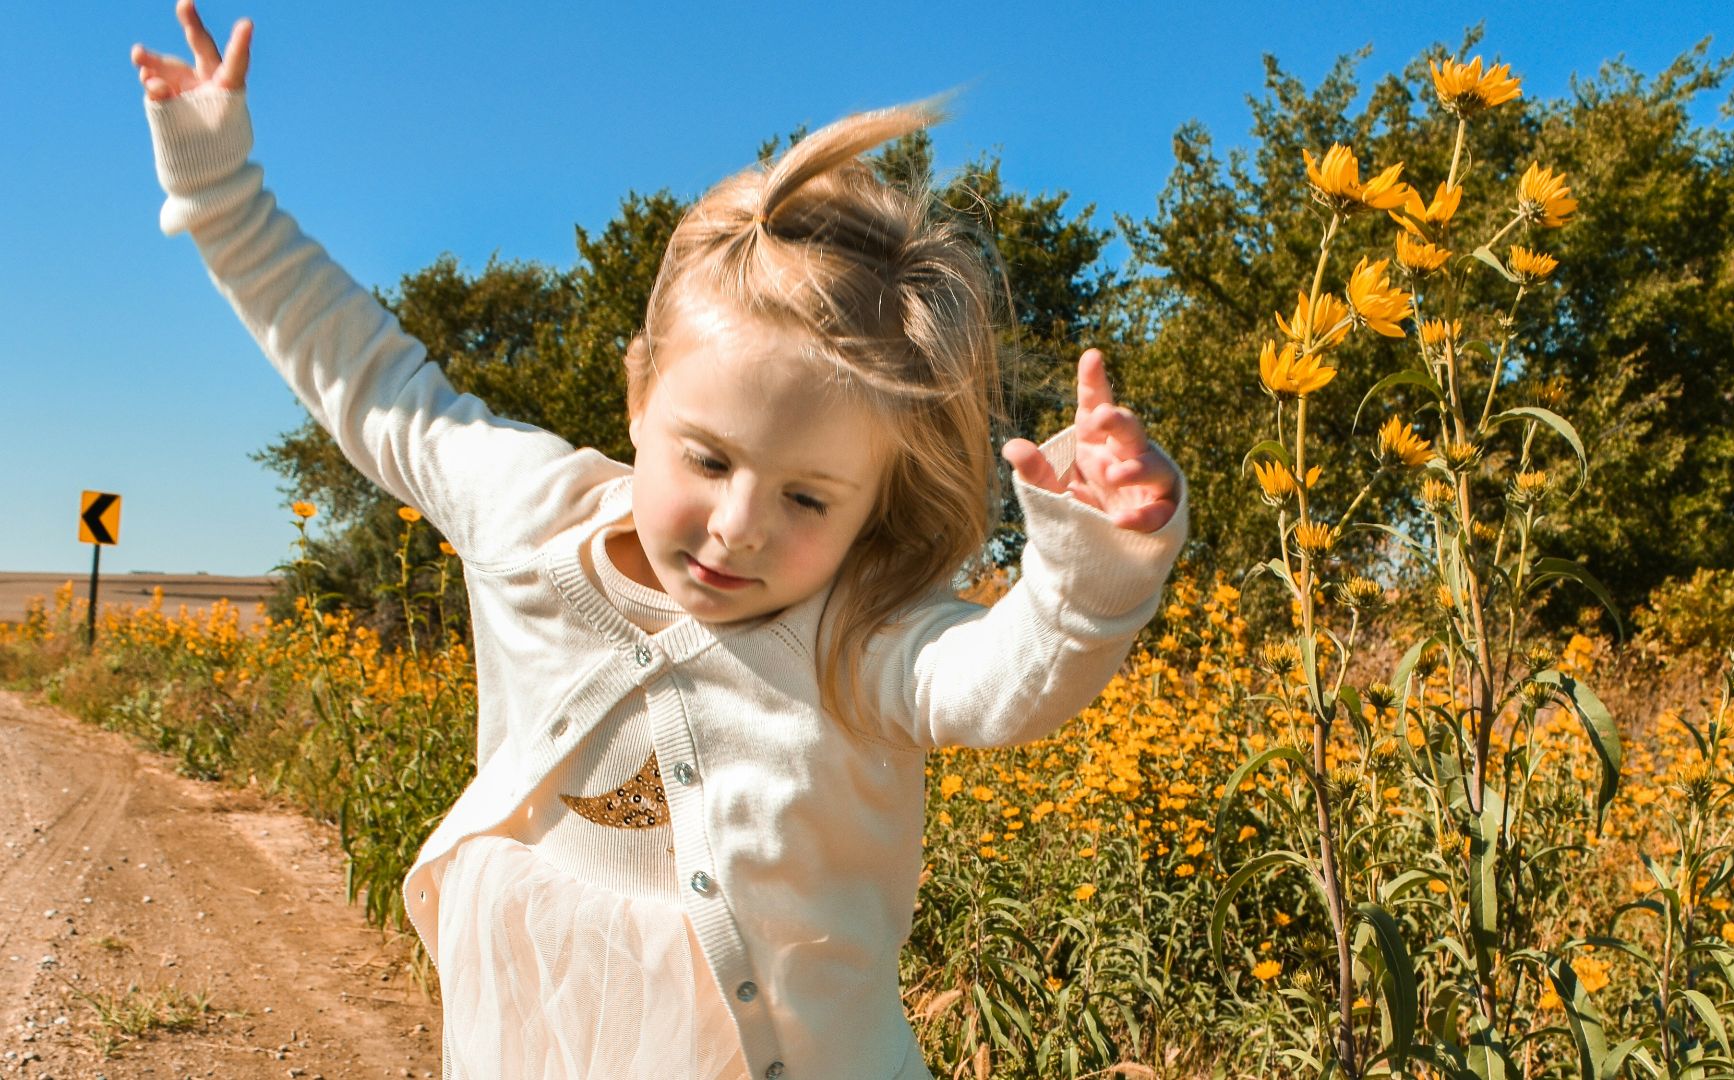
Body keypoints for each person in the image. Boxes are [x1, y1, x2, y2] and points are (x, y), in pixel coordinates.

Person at [133, 3, 1187, 1077]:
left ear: (876, 502)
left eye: (809, 500)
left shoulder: (859, 639)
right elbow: (367, 378)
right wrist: (222, 196)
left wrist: (1086, 568)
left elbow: (1002, 679)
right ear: (639, 397)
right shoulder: (526, 513)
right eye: (710, 461)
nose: (740, 526)